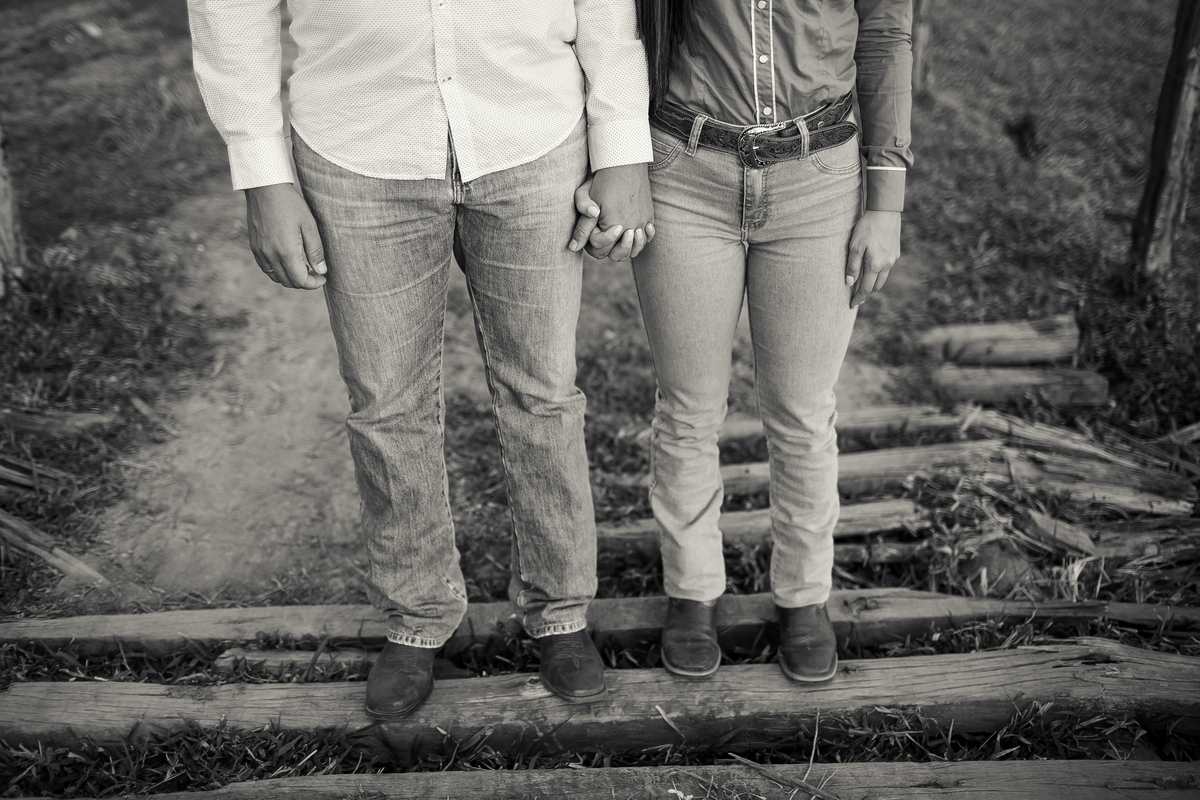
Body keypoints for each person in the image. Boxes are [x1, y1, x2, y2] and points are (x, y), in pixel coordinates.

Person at [187, 0, 655, 717]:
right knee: (385, 401)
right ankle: (415, 615)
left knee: (543, 391)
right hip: (356, 144)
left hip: (530, 129)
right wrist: (261, 172)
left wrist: (623, 147)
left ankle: (560, 611)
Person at [573, 0, 912, 681]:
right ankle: (692, 593)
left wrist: (886, 203)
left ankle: (804, 596)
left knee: (801, 410)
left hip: (819, 175)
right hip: (686, 168)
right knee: (689, 407)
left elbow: (885, 32)